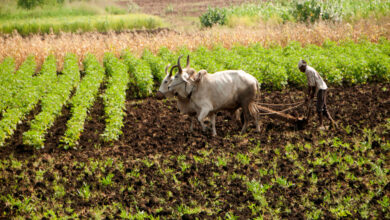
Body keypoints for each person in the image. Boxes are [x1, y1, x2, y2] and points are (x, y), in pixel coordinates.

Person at [298, 60, 336, 130]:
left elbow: (313, 86)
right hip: (322, 88)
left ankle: (321, 125)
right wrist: (308, 95)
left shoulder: (309, 71)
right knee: (324, 108)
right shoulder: (308, 70)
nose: (300, 71)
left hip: (320, 89)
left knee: (319, 108)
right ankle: (332, 122)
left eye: (300, 69)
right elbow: (310, 85)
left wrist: (311, 95)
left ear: (302, 67)